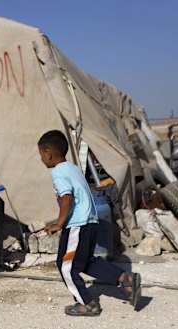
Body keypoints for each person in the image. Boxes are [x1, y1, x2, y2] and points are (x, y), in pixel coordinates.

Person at [38, 130, 141, 316]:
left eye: (41, 155)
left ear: (48, 153)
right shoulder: (73, 168)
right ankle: (124, 278)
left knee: (66, 267)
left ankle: (87, 303)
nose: (41, 159)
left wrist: (59, 224)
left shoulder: (58, 172)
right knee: (85, 262)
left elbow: (67, 198)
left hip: (77, 224)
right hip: (89, 222)